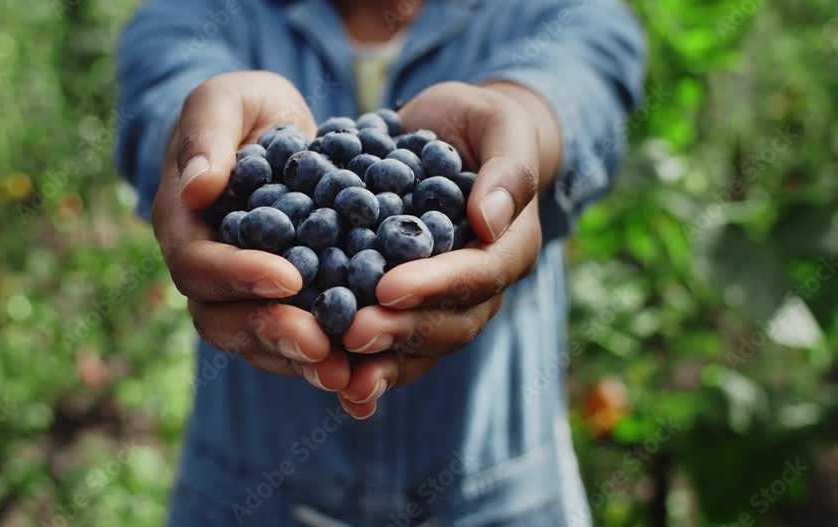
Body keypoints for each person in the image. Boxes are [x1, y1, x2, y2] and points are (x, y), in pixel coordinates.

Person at [116, 0, 645, 524]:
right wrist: (194, 148)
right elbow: (164, 88)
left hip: (500, 500)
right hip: (250, 499)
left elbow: (585, 74)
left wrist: (525, 124)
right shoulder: (200, 10)